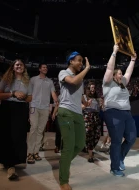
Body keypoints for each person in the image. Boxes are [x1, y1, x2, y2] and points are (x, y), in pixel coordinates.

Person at [0, 59, 32, 180]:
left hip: (21, 109)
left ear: (24, 67)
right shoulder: (6, 79)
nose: (19, 65)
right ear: (13, 67)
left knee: (18, 136)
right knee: (5, 135)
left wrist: (23, 97)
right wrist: (13, 93)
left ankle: (12, 161)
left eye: (21, 64)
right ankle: (9, 164)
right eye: (17, 64)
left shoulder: (28, 82)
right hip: (7, 108)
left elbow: (30, 98)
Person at [57, 51, 91, 190]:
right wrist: (87, 69)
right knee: (69, 146)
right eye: (79, 60)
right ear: (71, 61)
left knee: (80, 143)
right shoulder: (63, 73)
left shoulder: (80, 78)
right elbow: (73, 82)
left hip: (78, 113)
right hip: (66, 112)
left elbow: (80, 94)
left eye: (82, 61)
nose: (81, 63)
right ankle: (63, 180)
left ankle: (64, 164)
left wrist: (85, 102)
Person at [102, 44, 137, 177]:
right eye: (119, 73)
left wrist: (133, 60)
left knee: (132, 137)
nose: (122, 75)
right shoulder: (107, 83)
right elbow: (110, 68)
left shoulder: (123, 83)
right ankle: (115, 167)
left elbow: (129, 72)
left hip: (127, 114)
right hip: (113, 113)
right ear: (114, 75)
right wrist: (114, 53)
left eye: (122, 74)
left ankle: (120, 158)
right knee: (116, 141)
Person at [27, 63, 58, 164]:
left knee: (40, 130)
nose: (46, 69)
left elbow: (53, 92)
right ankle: (30, 153)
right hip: (34, 107)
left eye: (46, 67)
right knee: (33, 128)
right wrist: (29, 107)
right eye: (44, 67)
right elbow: (29, 94)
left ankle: (36, 152)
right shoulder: (33, 80)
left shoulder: (49, 81)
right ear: (39, 69)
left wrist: (56, 100)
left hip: (45, 108)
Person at [83, 81, 103, 163]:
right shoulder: (84, 97)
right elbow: (81, 107)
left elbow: (101, 108)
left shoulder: (98, 98)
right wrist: (86, 104)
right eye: (91, 87)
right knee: (89, 135)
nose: (93, 89)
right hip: (88, 116)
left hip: (96, 117)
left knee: (97, 135)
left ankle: (89, 148)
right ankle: (90, 154)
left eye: (94, 87)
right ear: (87, 88)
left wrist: (102, 105)